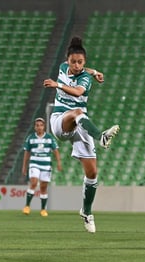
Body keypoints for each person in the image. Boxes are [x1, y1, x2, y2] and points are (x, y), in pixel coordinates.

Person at [43, 36, 119, 233]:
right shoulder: (63, 68)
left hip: (80, 126)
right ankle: (102, 136)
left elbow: (78, 92)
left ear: (84, 63)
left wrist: (58, 85)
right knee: (78, 112)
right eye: (73, 62)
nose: (77, 65)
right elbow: (82, 72)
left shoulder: (84, 78)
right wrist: (94, 71)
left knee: (92, 173)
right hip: (60, 121)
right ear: (67, 61)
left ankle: (86, 212)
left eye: (81, 62)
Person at [22, 118, 62, 217]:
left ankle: (43, 209)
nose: (39, 127)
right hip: (34, 163)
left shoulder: (49, 138)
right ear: (35, 127)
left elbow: (55, 150)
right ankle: (27, 206)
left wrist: (58, 163)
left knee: (43, 187)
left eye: (41, 125)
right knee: (34, 182)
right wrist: (24, 166)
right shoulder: (30, 138)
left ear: (44, 126)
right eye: (37, 125)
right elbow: (27, 153)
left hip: (46, 164)